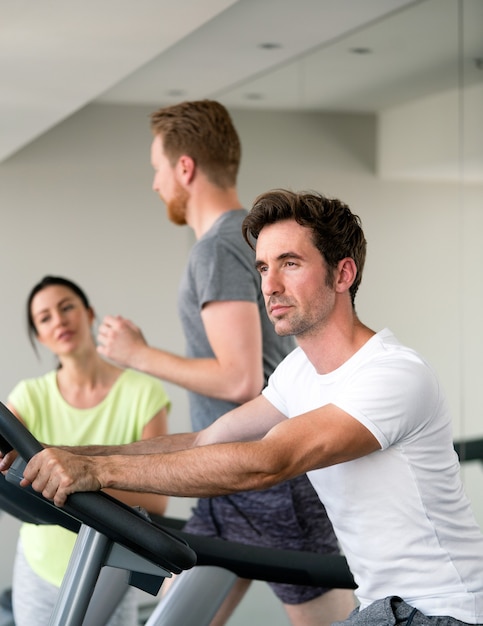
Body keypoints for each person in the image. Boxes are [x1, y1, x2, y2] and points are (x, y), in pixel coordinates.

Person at [5, 189, 483, 626]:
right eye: (262, 267)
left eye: (290, 263)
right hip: (384, 607)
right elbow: (203, 440)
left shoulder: (393, 374)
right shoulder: (298, 372)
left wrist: (94, 472)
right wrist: (52, 452)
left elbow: (266, 462)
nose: (269, 285)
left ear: (343, 273)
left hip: (445, 609)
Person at [94, 99, 354, 626]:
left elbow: (241, 378)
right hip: (222, 473)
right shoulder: (238, 241)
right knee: (177, 617)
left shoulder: (216, 248)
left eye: (157, 168)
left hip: (269, 475)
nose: (155, 183)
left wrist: (137, 355)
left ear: (184, 168)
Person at [5, 275, 171, 626]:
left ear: (89, 313)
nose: (60, 320)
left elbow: (156, 500)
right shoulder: (28, 396)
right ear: (39, 335)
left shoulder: (143, 393)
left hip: (110, 568)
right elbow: (6, 465)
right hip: (39, 565)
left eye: (67, 308)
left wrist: (82, 479)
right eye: (45, 317)